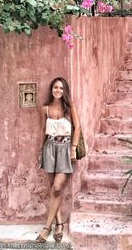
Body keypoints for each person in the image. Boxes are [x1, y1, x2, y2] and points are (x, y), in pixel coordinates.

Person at [35, 77, 81, 243]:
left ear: (65, 90)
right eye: (55, 87)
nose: (58, 91)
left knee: (56, 187)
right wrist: (41, 151)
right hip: (50, 149)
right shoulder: (45, 109)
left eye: (61, 88)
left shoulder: (70, 107)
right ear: (51, 89)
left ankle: (47, 228)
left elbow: (78, 128)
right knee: (54, 189)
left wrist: (73, 148)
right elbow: (43, 131)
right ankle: (59, 224)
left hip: (65, 149)